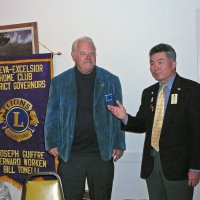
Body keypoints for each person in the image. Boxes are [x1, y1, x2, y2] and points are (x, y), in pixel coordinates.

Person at [107, 43, 200, 200]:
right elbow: (142, 124)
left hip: (179, 168)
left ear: (173, 63)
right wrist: (125, 117)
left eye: (160, 62)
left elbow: (197, 132)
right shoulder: (149, 92)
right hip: (153, 165)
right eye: (151, 63)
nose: (155, 67)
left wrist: (196, 167)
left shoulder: (192, 90)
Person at [44, 36, 125, 200]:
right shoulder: (59, 83)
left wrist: (119, 143)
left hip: (101, 154)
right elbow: (51, 115)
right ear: (73, 55)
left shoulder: (110, 80)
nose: (88, 57)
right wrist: (51, 142)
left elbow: (118, 115)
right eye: (83, 53)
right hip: (70, 153)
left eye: (92, 53)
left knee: (102, 196)